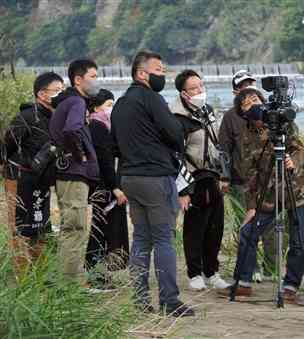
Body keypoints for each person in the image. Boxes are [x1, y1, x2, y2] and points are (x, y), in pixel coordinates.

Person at [111, 50, 194, 317]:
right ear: (141, 73)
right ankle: (170, 300)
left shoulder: (121, 103)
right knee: (164, 239)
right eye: (159, 69)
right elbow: (174, 133)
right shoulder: (152, 98)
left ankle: (140, 299)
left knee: (141, 239)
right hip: (155, 178)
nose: (163, 73)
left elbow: (114, 144)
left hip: (129, 178)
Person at [219, 87, 304, 304]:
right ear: (242, 113)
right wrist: (252, 206)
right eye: (246, 103)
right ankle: (243, 284)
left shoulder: (283, 123)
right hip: (270, 193)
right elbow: (249, 174)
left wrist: (293, 161)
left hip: (297, 188)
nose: (253, 103)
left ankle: (291, 287)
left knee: (298, 239)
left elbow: (298, 148)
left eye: (255, 98)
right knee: (248, 231)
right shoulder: (246, 134)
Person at [169, 69, 230, 291]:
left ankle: (212, 271)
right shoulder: (177, 118)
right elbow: (175, 156)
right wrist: (183, 190)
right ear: (184, 93)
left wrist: (224, 174)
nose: (199, 91)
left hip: (212, 175)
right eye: (194, 88)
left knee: (216, 227)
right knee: (195, 228)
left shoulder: (207, 111)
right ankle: (194, 273)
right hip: (192, 178)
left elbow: (217, 144)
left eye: (201, 86)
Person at [3, 72, 64, 277]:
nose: (61, 94)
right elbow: (6, 147)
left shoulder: (57, 118)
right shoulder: (26, 117)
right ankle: (22, 278)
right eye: (57, 90)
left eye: (62, 90)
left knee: (40, 227)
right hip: (19, 178)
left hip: (42, 181)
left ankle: (40, 277)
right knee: (20, 228)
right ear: (41, 94)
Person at [218, 70, 274, 281]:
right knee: (246, 225)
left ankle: (271, 269)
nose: (249, 89)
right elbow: (223, 148)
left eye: (252, 84)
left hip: (270, 181)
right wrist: (224, 176)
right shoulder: (231, 117)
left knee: (270, 227)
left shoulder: (270, 112)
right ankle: (251, 269)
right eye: (243, 86)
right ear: (235, 92)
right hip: (241, 182)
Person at [49, 59, 100, 280]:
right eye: (93, 76)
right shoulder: (77, 103)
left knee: (71, 227)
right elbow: (71, 130)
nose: (97, 81)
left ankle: (68, 280)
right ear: (78, 79)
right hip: (73, 173)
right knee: (75, 228)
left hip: (67, 173)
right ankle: (70, 284)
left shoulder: (67, 102)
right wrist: (80, 156)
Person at [85, 89, 129, 291]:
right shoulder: (98, 126)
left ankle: (98, 273)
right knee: (99, 230)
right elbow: (105, 161)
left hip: (103, 184)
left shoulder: (105, 125)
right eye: (108, 105)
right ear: (96, 107)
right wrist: (115, 188)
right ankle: (94, 275)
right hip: (103, 186)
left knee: (101, 230)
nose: (111, 109)